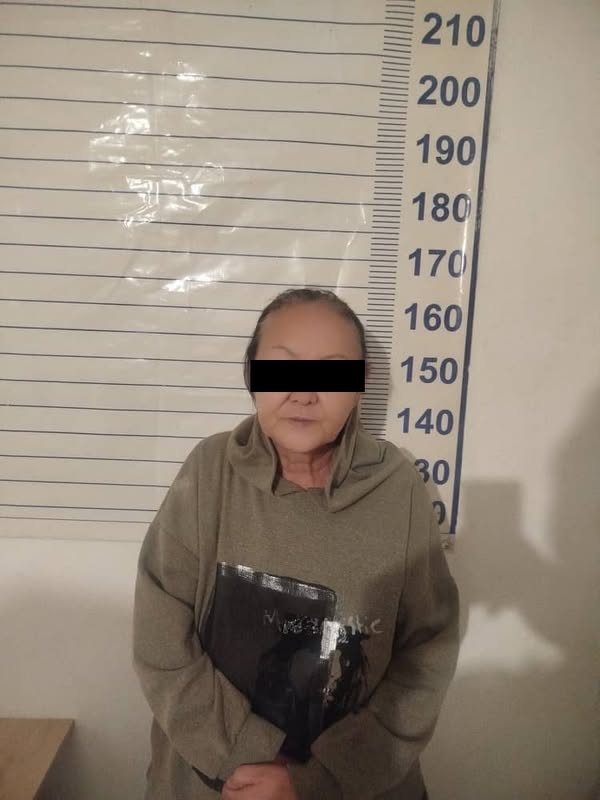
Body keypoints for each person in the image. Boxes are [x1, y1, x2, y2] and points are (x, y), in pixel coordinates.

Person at [132, 287, 459, 800]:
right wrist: (250, 756)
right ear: (251, 375)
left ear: (360, 385)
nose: (304, 392)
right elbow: (161, 643)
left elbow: (426, 653)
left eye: (332, 371)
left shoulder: (399, 488)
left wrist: (315, 779)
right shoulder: (209, 471)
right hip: (217, 781)